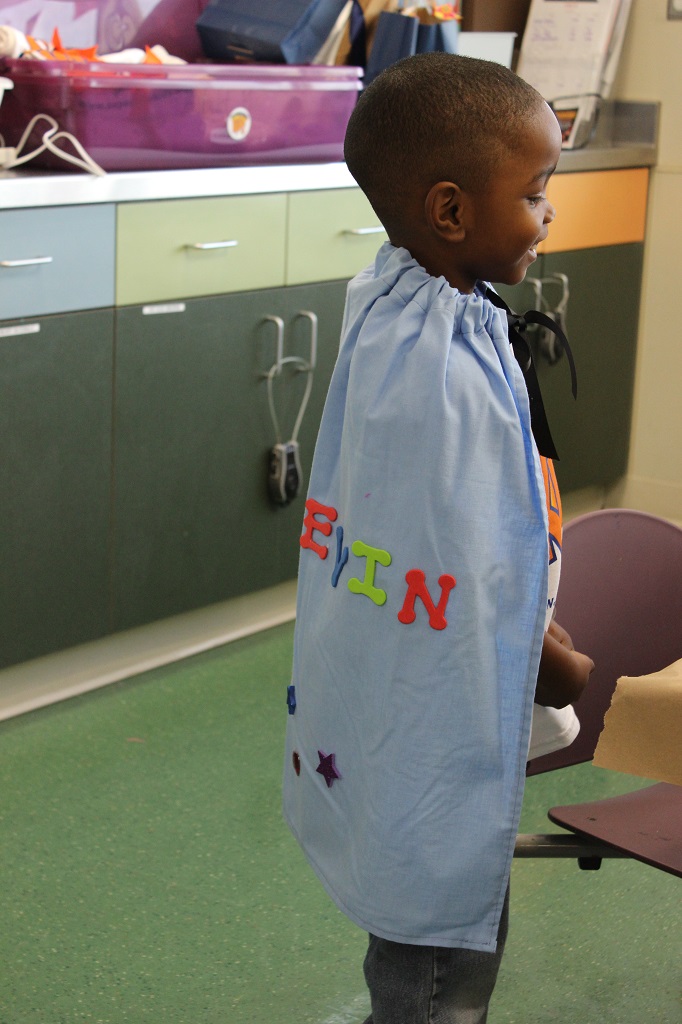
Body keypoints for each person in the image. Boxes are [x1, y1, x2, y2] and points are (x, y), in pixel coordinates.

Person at [282, 52, 594, 1024]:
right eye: (534, 193)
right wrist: (538, 656)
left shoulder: (401, 303)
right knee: (438, 958)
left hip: (403, 696)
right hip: (449, 702)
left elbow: (444, 538)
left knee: (424, 899)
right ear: (451, 212)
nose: (548, 214)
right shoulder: (440, 371)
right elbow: (450, 553)